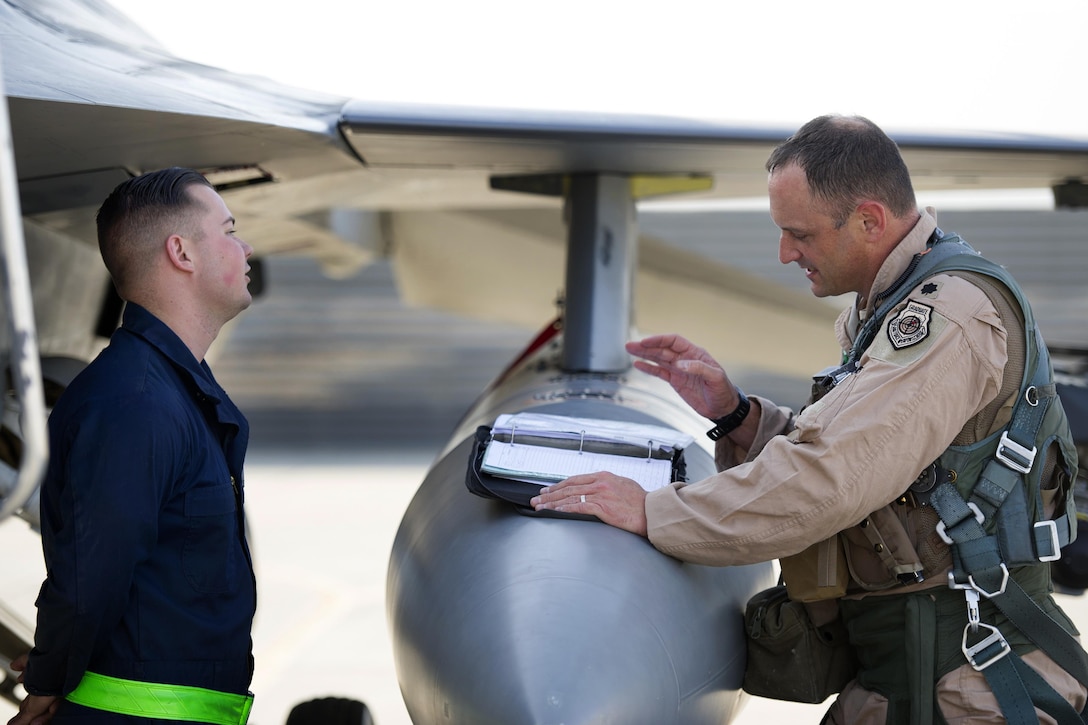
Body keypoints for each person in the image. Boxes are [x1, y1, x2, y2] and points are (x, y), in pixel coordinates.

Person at [532, 115, 1086, 723]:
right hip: (910, 672)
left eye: (799, 234)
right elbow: (877, 458)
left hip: (971, 682)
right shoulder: (889, 306)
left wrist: (652, 512)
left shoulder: (944, 318)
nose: (784, 252)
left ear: (870, 220)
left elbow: (834, 478)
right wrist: (736, 414)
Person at [7, 167, 257, 724]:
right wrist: (49, 680)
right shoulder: (135, 404)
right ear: (181, 253)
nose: (246, 246)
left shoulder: (167, 392)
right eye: (229, 229)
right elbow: (89, 575)